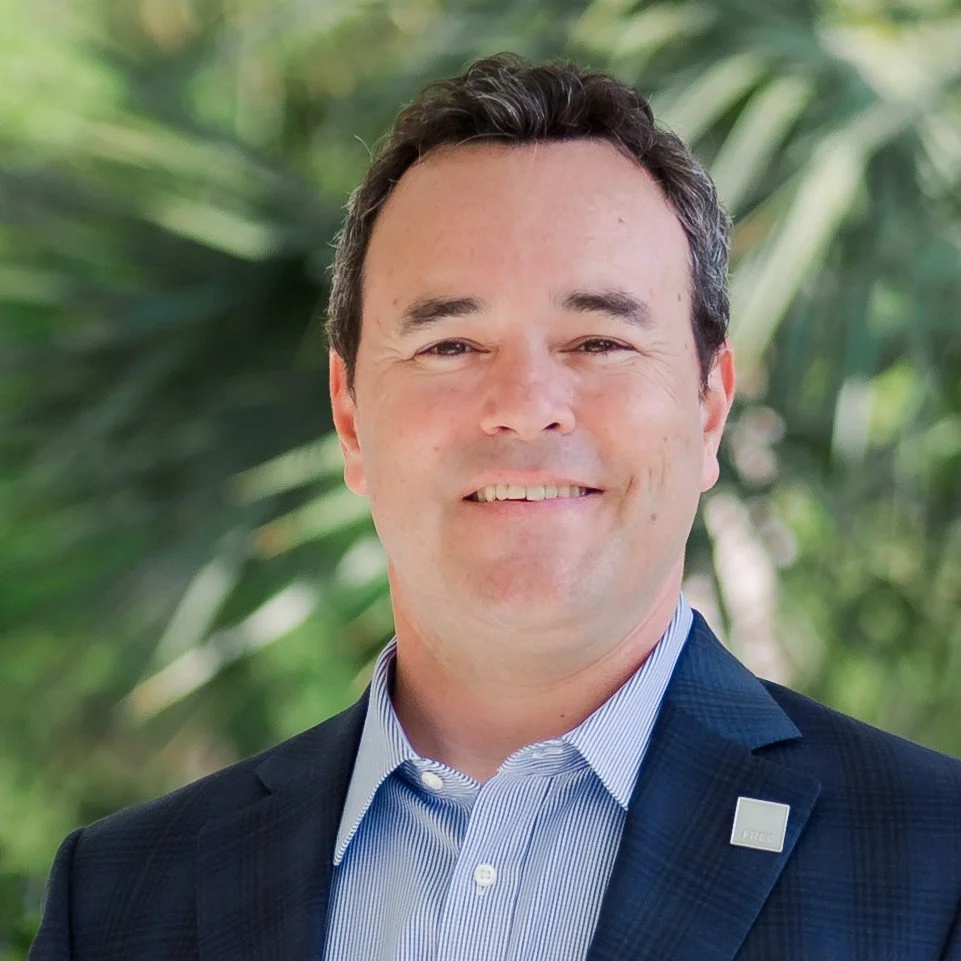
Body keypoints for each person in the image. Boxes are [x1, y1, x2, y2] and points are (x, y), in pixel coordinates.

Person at [29, 53, 961, 961]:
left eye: (597, 340)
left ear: (710, 405)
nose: (522, 403)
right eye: (449, 344)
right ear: (350, 415)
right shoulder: (120, 894)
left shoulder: (935, 862)